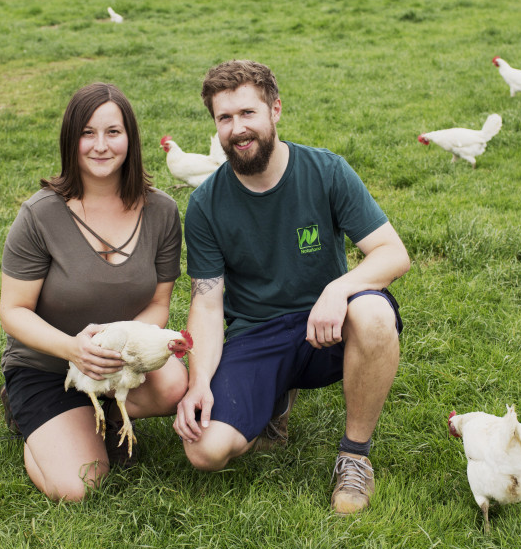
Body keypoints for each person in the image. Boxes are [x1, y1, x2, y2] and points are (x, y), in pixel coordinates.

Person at [173, 60, 410, 514]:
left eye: (248, 114)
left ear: (275, 110)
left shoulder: (326, 171)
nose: (238, 129)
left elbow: (392, 253)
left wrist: (339, 289)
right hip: (257, 332)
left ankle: (354, 456)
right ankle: (274, 406)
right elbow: (206, 304)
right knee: (205, 451)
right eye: (225, 118)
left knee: (375, 314)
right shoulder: (205, 205)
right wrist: (198, 381)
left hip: (329, 327)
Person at [0, 82, 187, 501]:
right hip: (48, 367)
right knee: (79, 485)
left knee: (174, 384)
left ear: (130, 138)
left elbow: (159, 303)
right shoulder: (40, 215)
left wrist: (121, 347)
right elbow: (13, 311)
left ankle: (85, 418)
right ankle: (31, 416)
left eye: (112, 132)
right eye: (87, 133)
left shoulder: (162, 212)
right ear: (72, 140)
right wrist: (74, 349)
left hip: (117, 361)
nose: (100, 145)